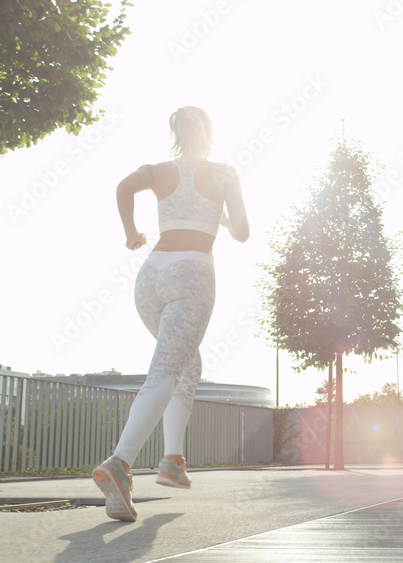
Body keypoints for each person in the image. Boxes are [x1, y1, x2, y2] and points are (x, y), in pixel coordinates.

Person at [93, 106, 249, 522]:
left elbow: (123, 188)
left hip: (150, 279)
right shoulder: (224, 173)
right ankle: (120, 463)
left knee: (185, 363)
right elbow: (244, 232)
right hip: (191, 275)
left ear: (175, 133)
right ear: (210, 132)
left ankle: (173, 461)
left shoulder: (158, 169)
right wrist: (225, 214)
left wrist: (130, 233)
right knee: (165, 370)